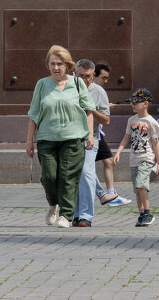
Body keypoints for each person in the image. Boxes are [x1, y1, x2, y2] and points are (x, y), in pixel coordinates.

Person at [25, 45, 94, 229]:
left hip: (73, 138)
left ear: (67, 65)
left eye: (60, 64)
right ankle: (52, 203)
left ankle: (66, 215)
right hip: (47, 138)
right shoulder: (42, 84)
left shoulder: (77, 84)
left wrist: (90, 135)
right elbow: (34, 114)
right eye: (52, 64)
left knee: (68, 176)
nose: (56, 68)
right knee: (49, 177)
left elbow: (88, 111)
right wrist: (29, 141)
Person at [112, 88, 159, 227]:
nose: (132, 105)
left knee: (141, 185)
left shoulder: (151, 122)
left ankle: (148, 212)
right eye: (131, 102)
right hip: (134, 159)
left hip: (147, 158)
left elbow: (156, 144)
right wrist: (118, 152)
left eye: (136, 102)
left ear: (145, 104)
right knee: (137, 189)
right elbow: (126, 138)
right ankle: (141, 214)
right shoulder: (131, 120)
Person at [71, 58, 109, 227]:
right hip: (70, 138)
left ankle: (86, 215)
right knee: (74, 176)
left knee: (86, 173)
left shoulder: (99, 91)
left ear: (93, 76)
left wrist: (90, 108)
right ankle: (76, 213)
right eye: (79, 76)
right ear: (74, 74)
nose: (83, 80)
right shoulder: (68, 87)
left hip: (90, 139)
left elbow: (106, 120)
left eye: (87, 76)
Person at [92, 63, 130, 207]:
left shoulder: (99, 90)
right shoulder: (84, 88)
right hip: (87, 134)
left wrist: (106, 106)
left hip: (96, 133)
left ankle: (110, 194)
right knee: (86, 168)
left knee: (108, 161)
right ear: (94, 75)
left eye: (108, 78)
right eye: (104, 77)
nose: (106, 81)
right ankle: (105, 194)